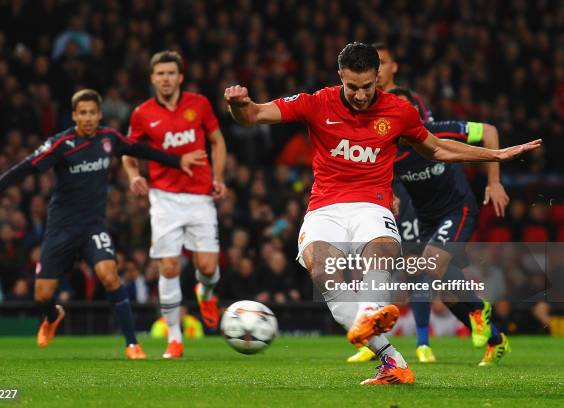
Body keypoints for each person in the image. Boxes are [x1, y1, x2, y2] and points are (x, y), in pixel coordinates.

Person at [224, 42, 540, 385]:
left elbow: (437, 148)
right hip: (325, 207)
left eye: (367, 86)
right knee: (322, 269)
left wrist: (494, 156)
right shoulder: (317, 102)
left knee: (381, 247)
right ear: (340, 77)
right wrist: (238, 106)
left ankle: (372, 311)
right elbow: (254, 114)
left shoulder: (399, 112)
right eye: (352, 87)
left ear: (378, 77)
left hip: (372, 203)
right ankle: (392, 361)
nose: (360, 95)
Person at [0, 89, 206, 359]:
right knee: (42, 296)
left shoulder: (109, 138)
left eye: (93, 112)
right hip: (61, 228)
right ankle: (53, 315)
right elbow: (25, 167)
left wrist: (178, 160)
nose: (88, 118)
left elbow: (140, 149)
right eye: (82, 113)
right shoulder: (61, 144)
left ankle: (132, 344)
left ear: (99, 114)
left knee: (109, 275)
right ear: (74, 116)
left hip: (93, 226)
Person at [348, 87, 511, 367]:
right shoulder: (387, 148)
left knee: (432, 264)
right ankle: (496, 340)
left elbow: (489, 131)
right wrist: (391, 196)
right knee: (447, 292)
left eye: (406, 110)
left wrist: (493, 181)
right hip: (427, 221)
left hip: (457, 208)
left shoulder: (435, 132)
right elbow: (378, 179)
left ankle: (478, 310)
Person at [122, 50, 228, 359]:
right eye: (160, 74)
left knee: (207, 268)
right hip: (164, 199)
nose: (166, 79)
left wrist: (218, 177)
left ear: (180, 77)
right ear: (152, 78)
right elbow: (129, 153)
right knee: (168, 266)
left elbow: (217, 141)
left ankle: (205, 293)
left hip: (199, 196)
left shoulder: (200, 104)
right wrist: (132, 176)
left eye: (171, 73)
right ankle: (174, 338)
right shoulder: (142, 113)